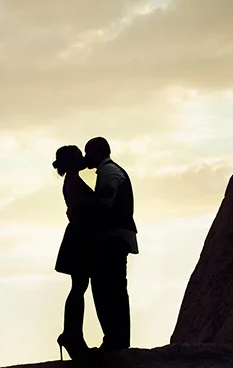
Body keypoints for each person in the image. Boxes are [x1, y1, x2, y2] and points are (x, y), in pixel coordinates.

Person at [84, 136, 138, 354]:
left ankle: (116, 340)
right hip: (115, 237)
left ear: (98, 152)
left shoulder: (109, 172)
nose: (86, 157)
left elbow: (104, 205)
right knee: (112, 288)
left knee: (109, 288)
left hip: (113, 238)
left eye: (89, 152)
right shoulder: (110, 171)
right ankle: (116, 339)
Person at [53, 145, 96, 360]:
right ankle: (72, 335)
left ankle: (72, 335)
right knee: (79, 287)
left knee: (79, 286)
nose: (83, 159)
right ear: (72, 161)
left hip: (78, 235)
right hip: (80, 236)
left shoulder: (72, 180)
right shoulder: (73, 181)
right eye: (79, 156)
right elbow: (79, 211)